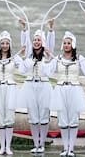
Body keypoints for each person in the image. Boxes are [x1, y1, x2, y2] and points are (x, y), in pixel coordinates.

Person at [49, 31, 85, 156]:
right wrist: (48, 56)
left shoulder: (79, 58)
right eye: (64, 43)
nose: (66, 45)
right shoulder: (57, 59)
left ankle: (71, 148)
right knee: (63, 120)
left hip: (74, 90)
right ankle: (65, 148)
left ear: (73, 45)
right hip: (60, 90)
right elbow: (47, 71)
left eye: (69, 43)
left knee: (73, 120)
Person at [17, 18, 55, 154]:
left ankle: (42, 143)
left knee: (44, 116)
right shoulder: (29, 56)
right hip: (30, 88)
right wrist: (24, 28)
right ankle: (35, 144)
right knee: (33, 116)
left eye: (39, 40)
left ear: (42, 42)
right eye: (35, 40)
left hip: (44, 87)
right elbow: (25, 43)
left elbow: (50, 43)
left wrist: (50, 29)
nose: (36, 42)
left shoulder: (47, 57)